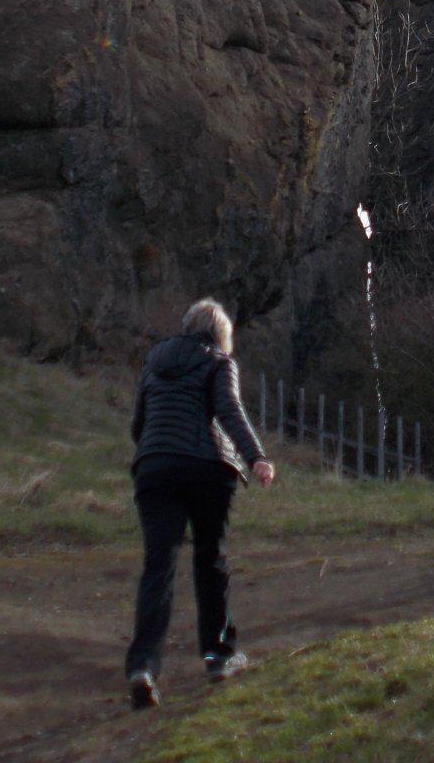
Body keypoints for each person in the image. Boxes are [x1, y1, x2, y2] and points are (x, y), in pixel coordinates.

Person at [124, 297, 276, 710]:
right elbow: (229, 410)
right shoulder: (219, 362)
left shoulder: (154, 360)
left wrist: (155, 453)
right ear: (220, 335)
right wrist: (256, 457)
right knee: (210, 561)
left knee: (159, 565)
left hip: (155, 466)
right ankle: (219, 657)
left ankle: (142, 668)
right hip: (208, 468)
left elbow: (139, 422)